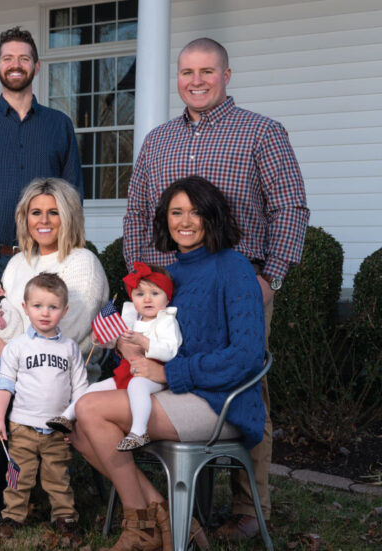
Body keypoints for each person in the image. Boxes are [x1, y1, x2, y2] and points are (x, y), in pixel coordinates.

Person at [122, 37, 308, 539]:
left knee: (244, 386)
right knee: (163, 378)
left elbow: (289, 207)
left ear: (227, 75)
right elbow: (139, 212)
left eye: (207, 71)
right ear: (177, 77)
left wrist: (271, 277)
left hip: (234, 285)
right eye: (187, 72)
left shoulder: (262, 133)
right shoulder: (158, 140)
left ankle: (249, 506)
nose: (196, 81)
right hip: (166, 292)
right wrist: (142, 280)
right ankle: (187, 503)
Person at [75, 175, 264, 551]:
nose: (185, 221)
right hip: (172, 392)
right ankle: (167, 516)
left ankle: (140, 527)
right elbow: (158, 341)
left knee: (89, 410)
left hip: (219, 400)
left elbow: (246, 355)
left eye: (196, 212)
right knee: (77, 429)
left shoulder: (235, 268)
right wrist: (128, 350)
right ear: (165, 220)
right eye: (176, 212)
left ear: (214, 217)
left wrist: (169, 372)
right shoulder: (168, 277)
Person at [0, 177, 108, 524]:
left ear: (69, 217)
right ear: (24, 218)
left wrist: (6, 349)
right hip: (11, 363)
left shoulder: (82, 263)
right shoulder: (19, 263)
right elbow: (6, 313)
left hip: (53, 374)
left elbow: (68, 332)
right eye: (35, 212)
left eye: (53, 213)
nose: (43, 221)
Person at [0, 26, 82, 281]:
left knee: (45, 323)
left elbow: (74, 197)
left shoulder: (59, 124)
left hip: (45, 257)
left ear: (37, 66)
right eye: (8, 58)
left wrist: (69, 254)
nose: (15, 65)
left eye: (24, 58)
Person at [48, 262, 181, 454]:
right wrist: (101, 339)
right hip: (127, 372)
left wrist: (143, 341)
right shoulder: (132, 318)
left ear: (167, 297)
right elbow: (116, 340)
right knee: (94, 387)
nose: (147, 300)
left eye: (155, 293)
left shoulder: (166, 321)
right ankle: (66, 417)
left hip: (152, 376)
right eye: (140, 294)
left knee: (138, 386)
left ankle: (139, 431)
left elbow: (170, 351)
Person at [0, 273, 88, 536]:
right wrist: (0, 419)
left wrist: (74, 424)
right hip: (22, 427)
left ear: (64, 310)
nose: (45, 313)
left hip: (58, 429)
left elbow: (80, 391)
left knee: (58, 477)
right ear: (25, 308)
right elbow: (5, 385)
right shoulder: (17, 347)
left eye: (53, 307)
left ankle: (65, 517)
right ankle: (11, 516)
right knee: (17, 475)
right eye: (37, 306)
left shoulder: (70, 348)